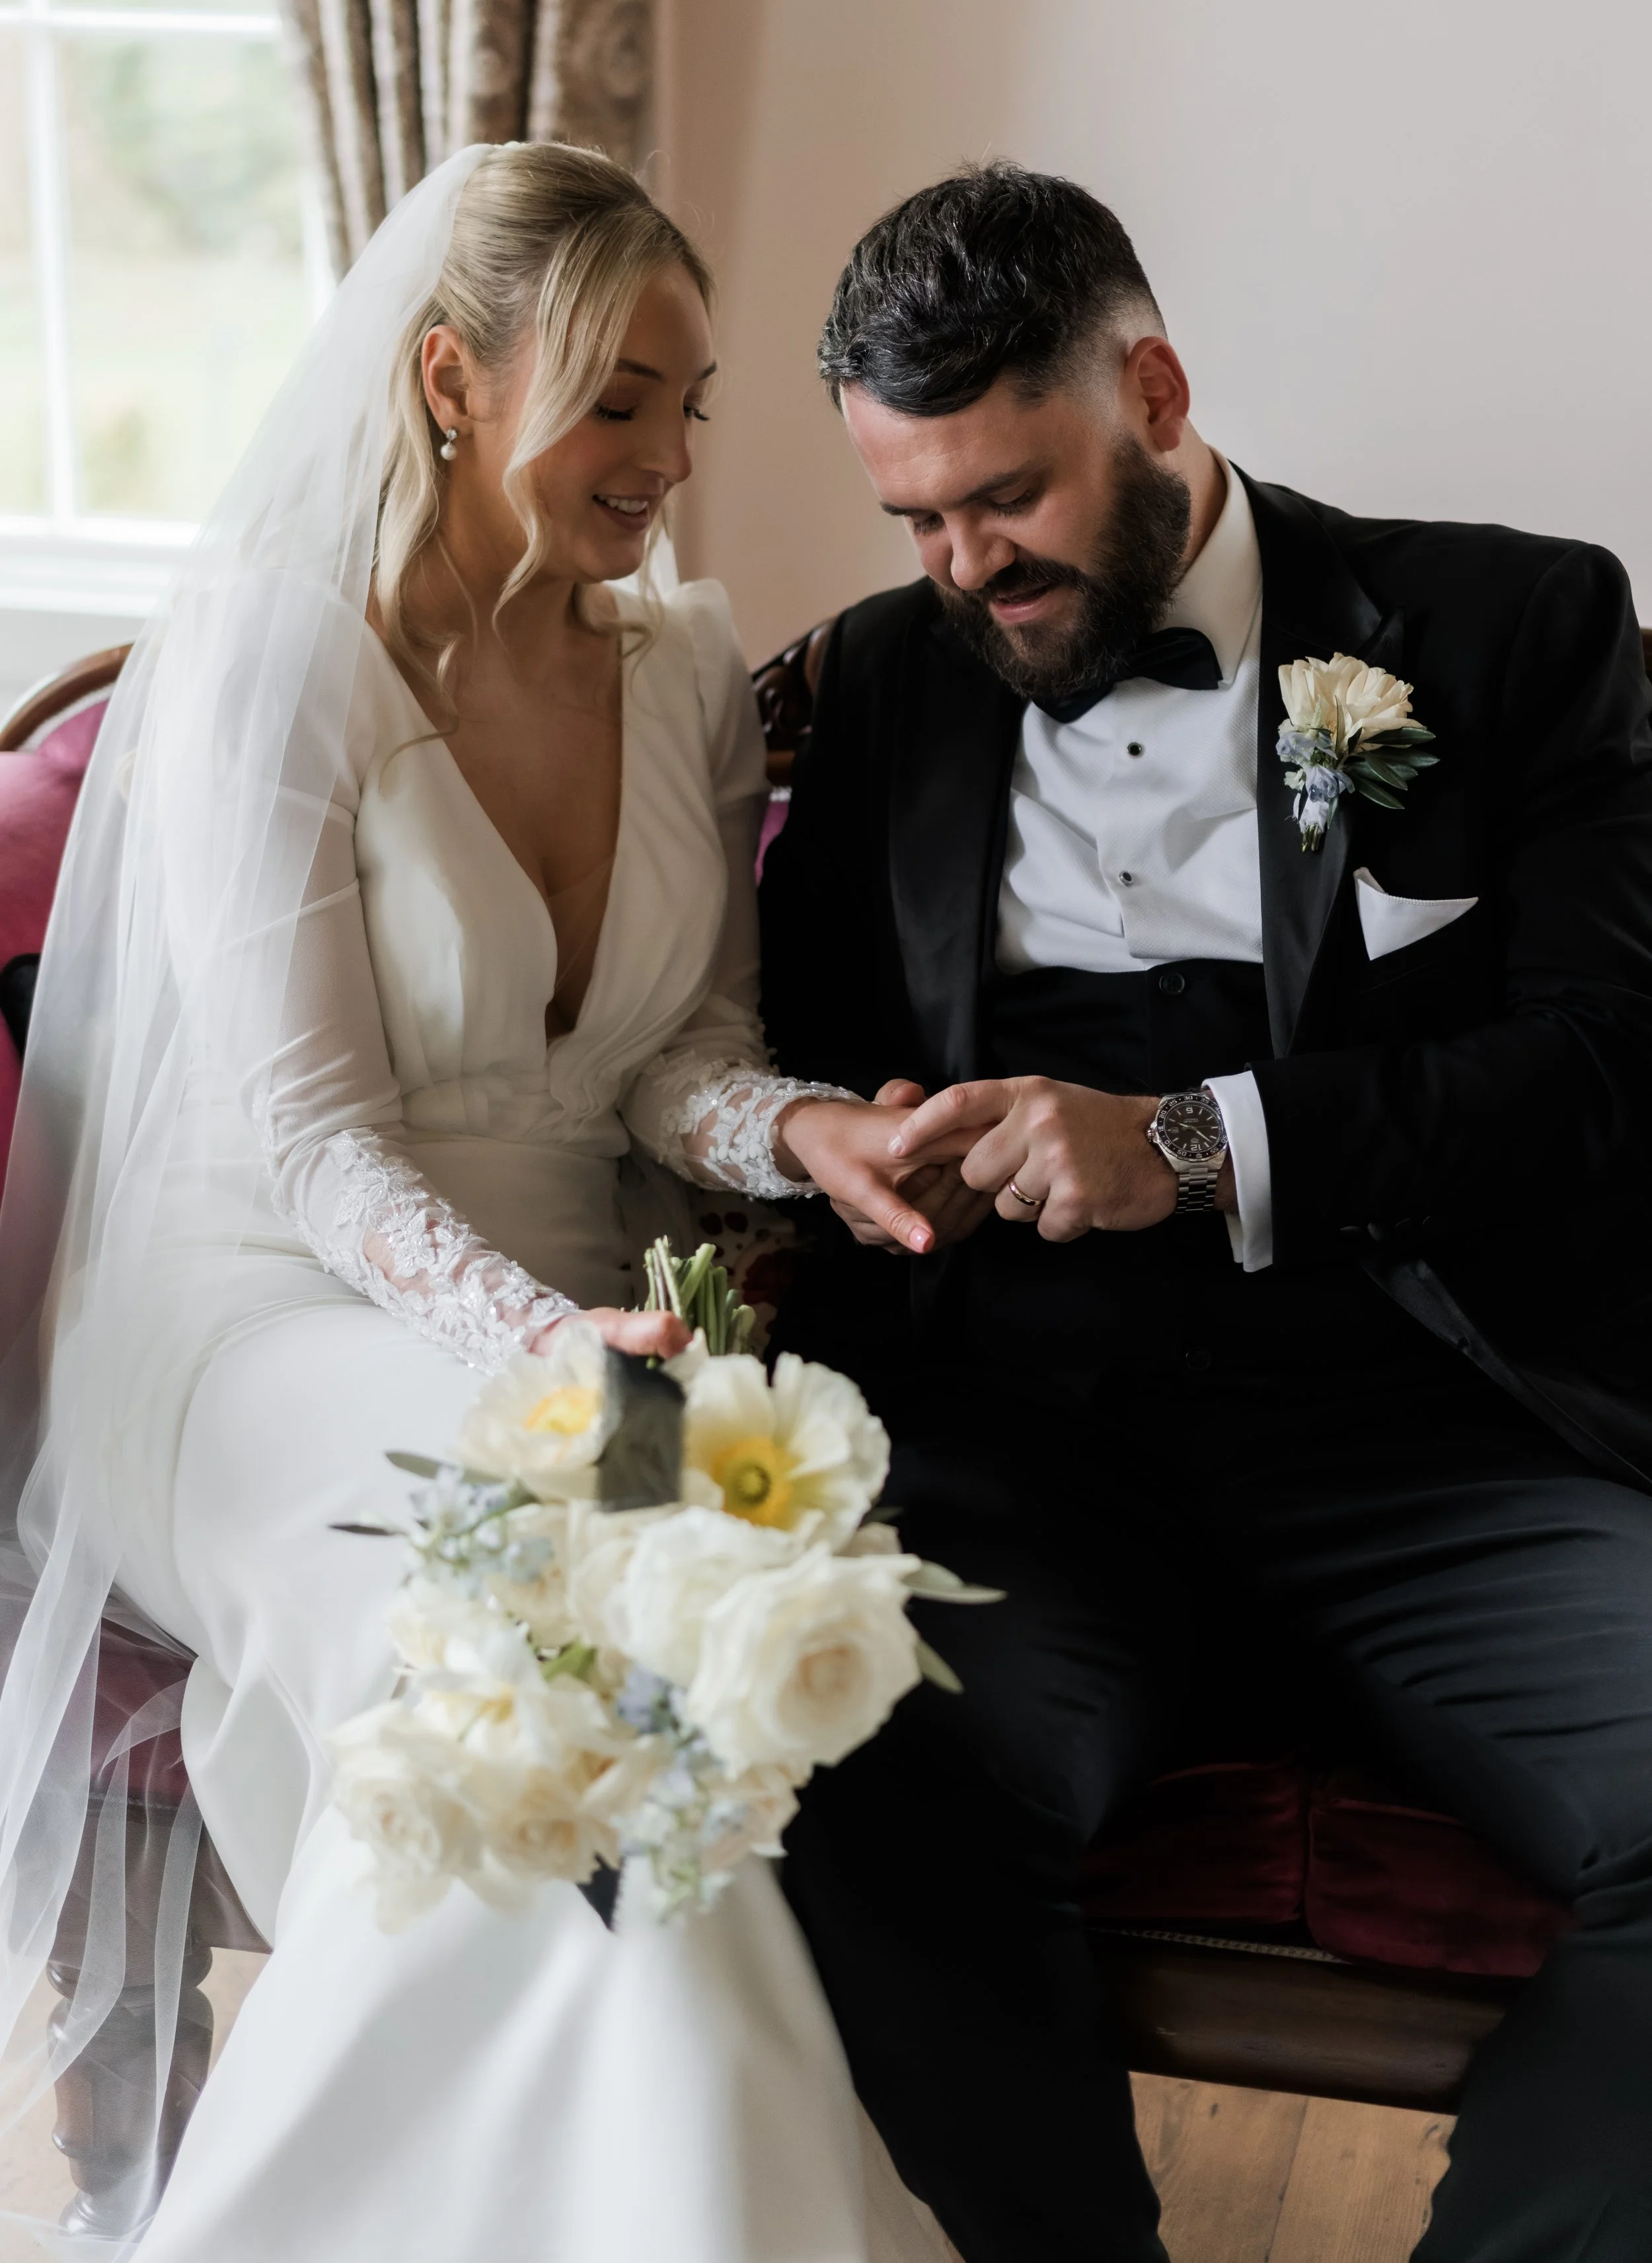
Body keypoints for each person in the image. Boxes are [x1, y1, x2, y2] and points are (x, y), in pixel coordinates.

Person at [0, 142, 952, 2263]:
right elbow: (317, 1139)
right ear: (450, 377)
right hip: (250, 1322)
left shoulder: (685, 667)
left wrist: (808, 1134)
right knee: (522, 1619)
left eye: (688, 403)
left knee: (641, 1655)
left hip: (581, 1328)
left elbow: (674, 1056)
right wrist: (551, 1344)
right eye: (617, 397)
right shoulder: (272, 653)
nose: (663, 457)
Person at [761, 162, 1652, 2263]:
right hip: (1024, 1457)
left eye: (1004, 495)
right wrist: (849, 1131)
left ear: (1151, 389)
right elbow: (783, 1041)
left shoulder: (1511, 626)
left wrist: (1185, 1141)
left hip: (1428, 1441)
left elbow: (1609, 1065)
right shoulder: (884, 677)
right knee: (845, 1782)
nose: (964, 566)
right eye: (912, 516)